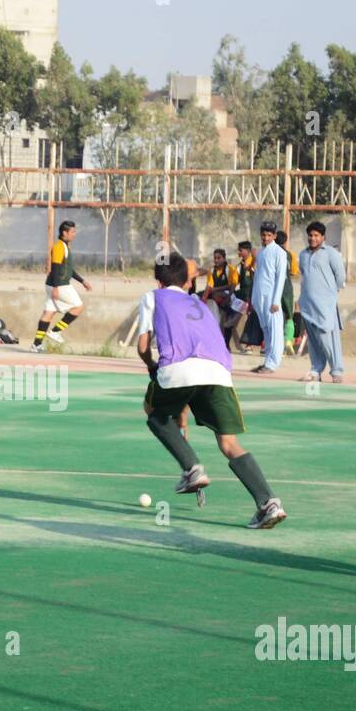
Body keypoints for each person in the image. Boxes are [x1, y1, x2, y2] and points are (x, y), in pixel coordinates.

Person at [139, 247, 287, 529]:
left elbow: (143, 347)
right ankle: (269, 503)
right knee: (228, 443)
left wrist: (151, 367)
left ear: (158, 281)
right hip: (219, 372)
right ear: (186, 282)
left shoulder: (152, 297)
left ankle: (192, 468)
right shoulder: (201, 304)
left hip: (176, 371)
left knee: (152, 410)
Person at [30, 220, 91, 352]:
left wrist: (82, 281)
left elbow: (68, 269)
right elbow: (56, 267)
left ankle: (36, 345)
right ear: (65, 232)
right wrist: (57, 287)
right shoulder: (59, 247)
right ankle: (56, 331)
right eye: (73, 232)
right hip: (60, 285)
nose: (75, 234)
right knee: (78, 307)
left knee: (48, 313)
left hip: (52, 284)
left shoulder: (65, 246)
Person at [298, 221, 347, 383]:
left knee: (328, 338)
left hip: (326, 304)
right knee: (313, 340)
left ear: (323, 237)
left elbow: (340, 276)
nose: (313, 238)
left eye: (316, 235)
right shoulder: (303, 254)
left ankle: (336, 371)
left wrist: (332, 293)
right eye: (310, 235)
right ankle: (316, 370)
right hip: (307, 304)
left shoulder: (331, 253)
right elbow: (304, 276)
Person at [250, 221, 287, 373]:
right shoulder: (261, 252)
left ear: (274, 236)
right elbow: (258, 276)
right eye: (263, 235)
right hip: (260, 297)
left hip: (272, 298)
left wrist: (276, 300)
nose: (265, 238)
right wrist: (254, 299)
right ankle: (267, 362)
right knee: (266, 330)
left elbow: (280, 278)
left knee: (275, 330)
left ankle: (273, 364)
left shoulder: (279, 253)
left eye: (269, 235)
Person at [201, 247, 241, 348]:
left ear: (224, 258)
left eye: (219, 258)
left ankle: (231, 312)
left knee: (215, 295)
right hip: (216, 295)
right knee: (197, 296)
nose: (216, 260)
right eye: (215, 258)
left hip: (228, 294)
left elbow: (232, 285)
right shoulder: (212, 270)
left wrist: (226, 296)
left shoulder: (231, 269)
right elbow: (209, 286)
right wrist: (205, 297)